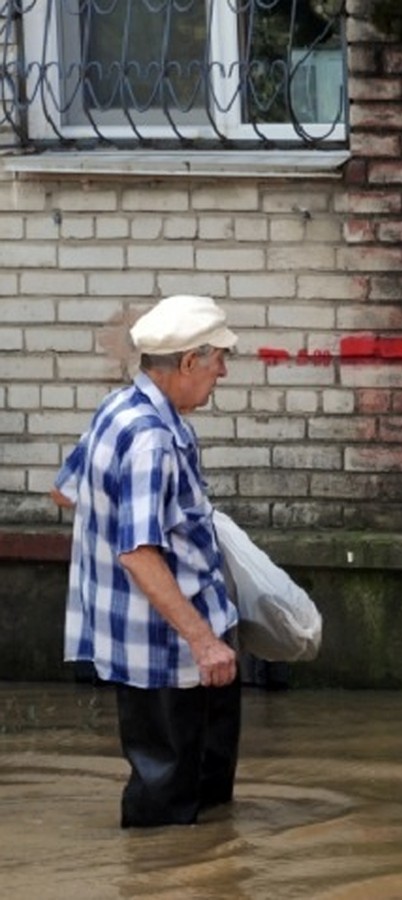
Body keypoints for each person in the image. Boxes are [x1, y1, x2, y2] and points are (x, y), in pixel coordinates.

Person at [51, 294, 241, 828]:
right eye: (217, 360)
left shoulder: (119, 408)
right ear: (187, 363)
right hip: (168, 650)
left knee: (203, 791)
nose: (222, 372)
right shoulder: (151, 441)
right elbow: (137, 553)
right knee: (167, 803)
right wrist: (203, 642)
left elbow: (64, 491)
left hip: (165, 638)